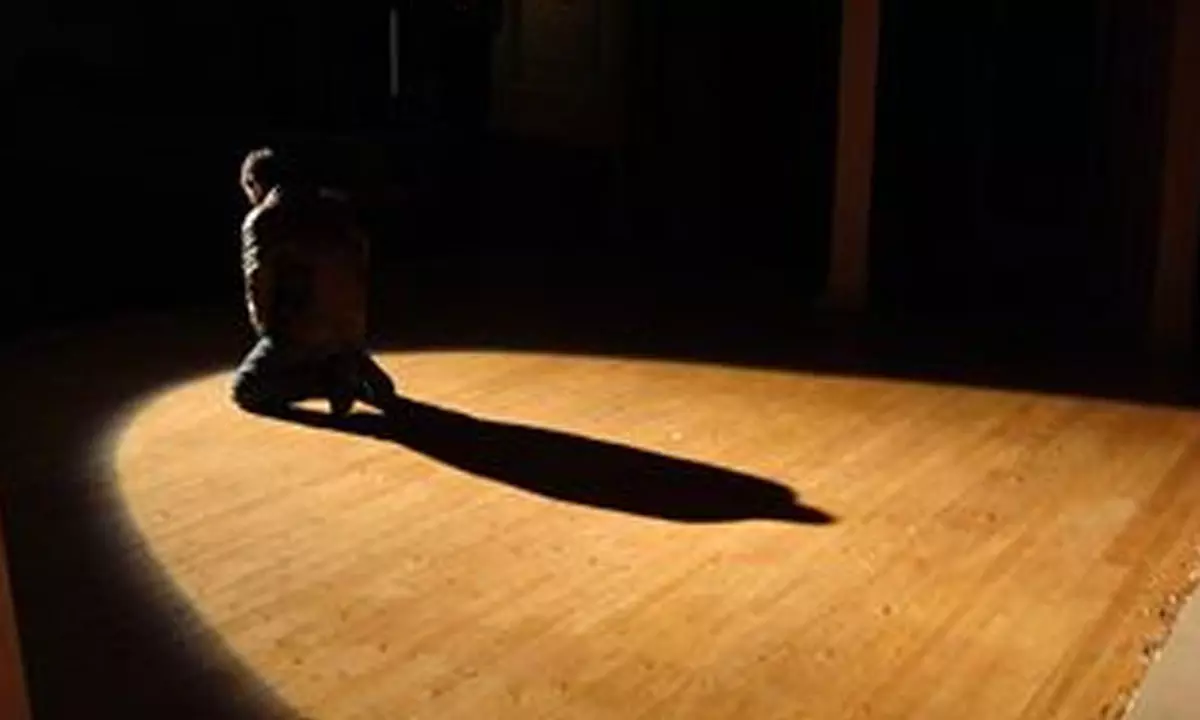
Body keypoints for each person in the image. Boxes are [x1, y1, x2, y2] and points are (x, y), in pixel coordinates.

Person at [231, 147, 397, 416]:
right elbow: (359, 260)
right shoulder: (337, 206)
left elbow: (258, 283)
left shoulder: (262, 219)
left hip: (303, 331)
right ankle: (350, 362)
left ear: (255, 184)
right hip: (352, 325)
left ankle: (330, 380)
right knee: (329, 338)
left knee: (245, 389)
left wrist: (268, 335)